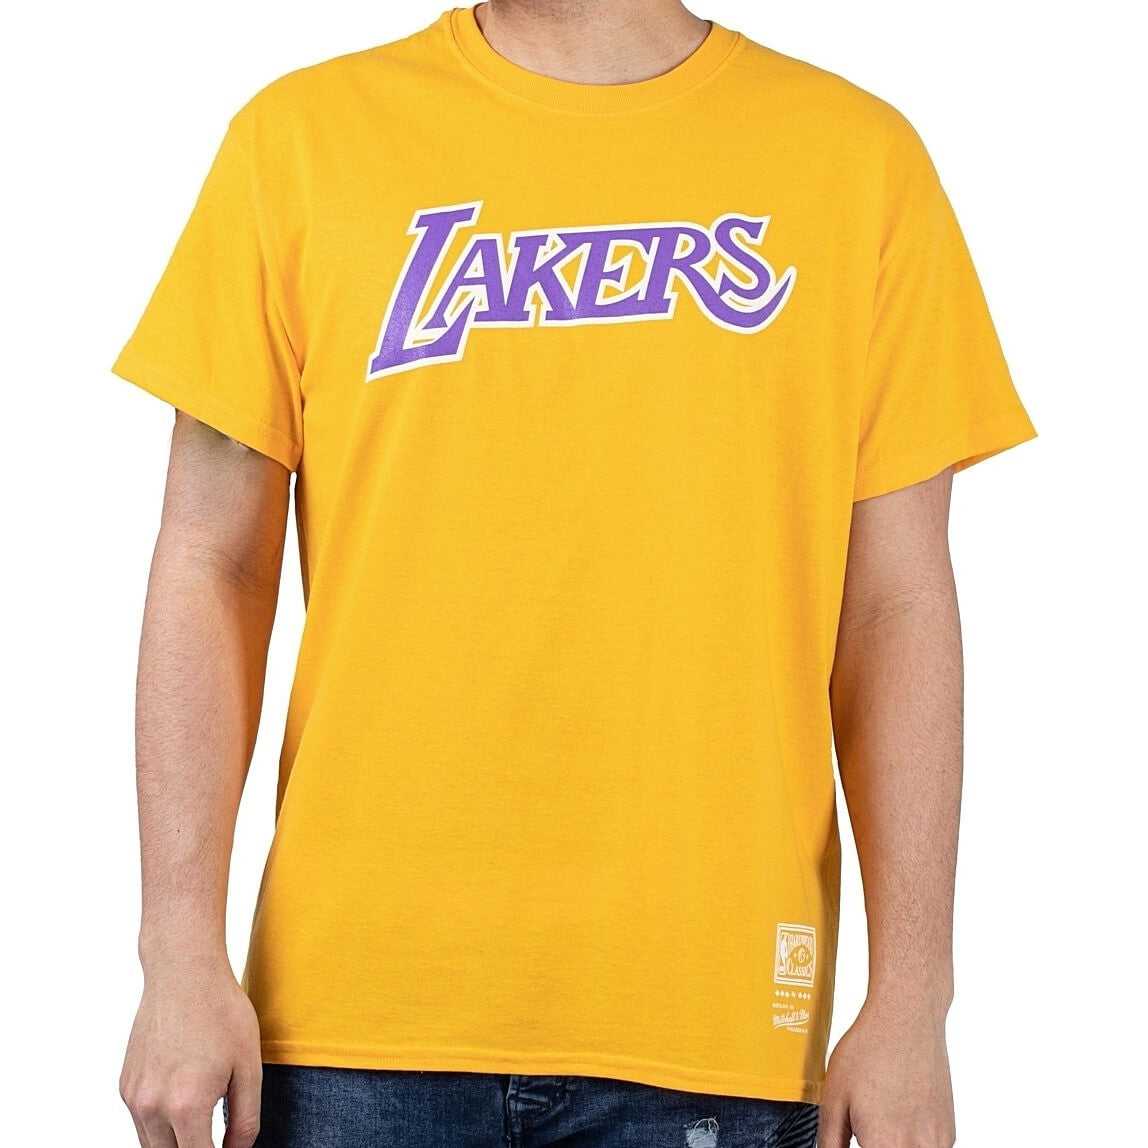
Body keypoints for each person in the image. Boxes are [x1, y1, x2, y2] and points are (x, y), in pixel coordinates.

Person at [110, 2, 1037, 1146]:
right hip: (352, 1026)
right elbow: (210, 560)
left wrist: (910, 997)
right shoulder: (298, 141)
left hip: (712, 1021)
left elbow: (892, 608)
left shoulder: (857, 164)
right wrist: (176, 946)